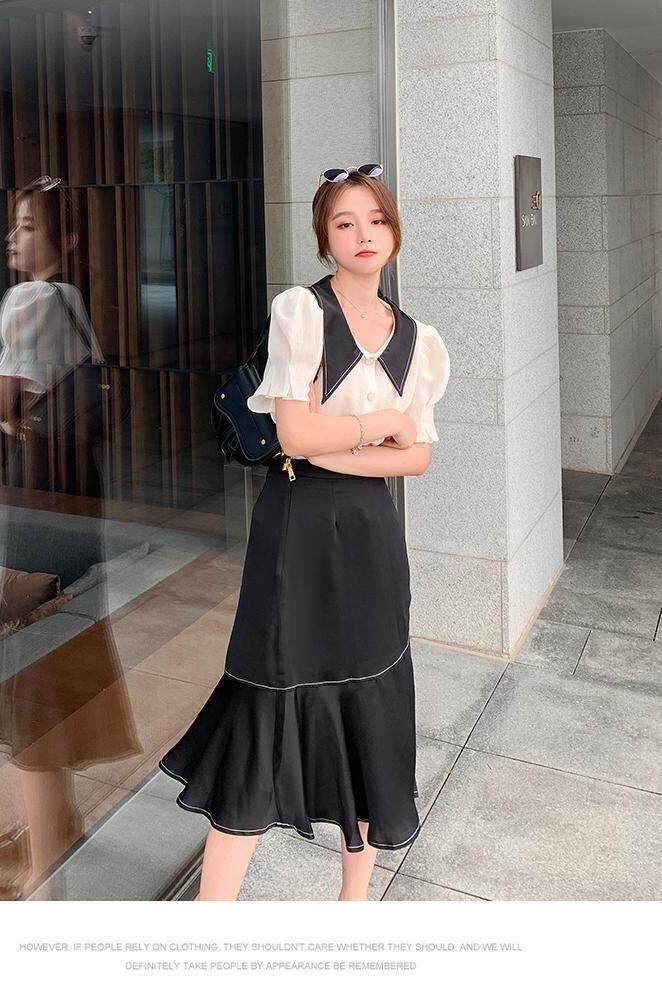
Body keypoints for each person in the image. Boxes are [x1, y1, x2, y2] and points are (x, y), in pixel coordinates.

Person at [158, 163, 450, 901]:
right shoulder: (302, 312)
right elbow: (294, 435)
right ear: (324, 238)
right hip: (297, 530)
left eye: (375, 220)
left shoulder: (421, 341)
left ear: (394, 232)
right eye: (344, 223)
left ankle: (354, 905)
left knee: (373, 702)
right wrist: (382, 423)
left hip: (371, 538)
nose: (363, 235)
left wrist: (335, 442)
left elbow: (416, 458)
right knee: (267, 697)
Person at [0, 177, 142, 901]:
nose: (14, 236)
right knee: (55, 661)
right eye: (14, 224)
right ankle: (52, 825)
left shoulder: (31, 300)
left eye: (29, 225)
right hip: (75, 507)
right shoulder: (72, 303)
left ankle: (43, 877)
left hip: (38, 510)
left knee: (28, 681)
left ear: (64, 239)